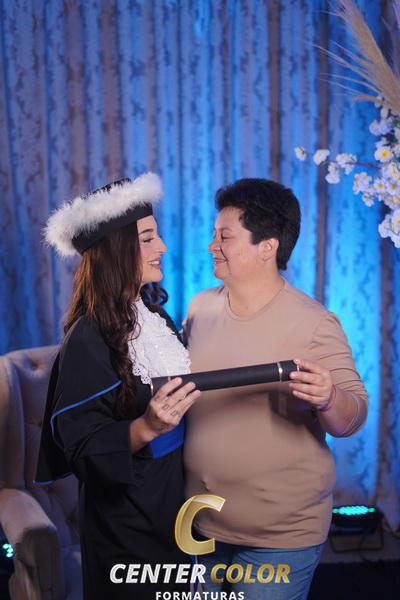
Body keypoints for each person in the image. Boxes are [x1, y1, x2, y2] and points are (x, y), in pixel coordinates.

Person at [183, 178, 368, 600]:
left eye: (225, 237)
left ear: (267, 247)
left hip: (280, 536)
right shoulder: (199, 308)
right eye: (214, 235)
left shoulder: (315, 323)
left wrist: (329, 398)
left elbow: (353, 416)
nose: (212, 246)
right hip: (199, 524)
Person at [35, 173, 201, 600]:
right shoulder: (88, 336)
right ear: (116, 249)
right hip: (125, 521)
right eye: (147, 239)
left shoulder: (155, 317)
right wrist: (146, 427)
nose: (162, 247)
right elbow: (80, 446)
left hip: (173, 503)